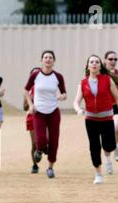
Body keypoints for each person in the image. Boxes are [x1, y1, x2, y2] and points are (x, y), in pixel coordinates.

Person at [73, 54, 118, 184]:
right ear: (88, 65)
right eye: (92, 62)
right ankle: (98, 174)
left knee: (109, 146)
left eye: (97, 62)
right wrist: (79, 110)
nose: (94, 64)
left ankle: (115, 146)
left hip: (107, 118)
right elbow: (76, 101)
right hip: (91, 120)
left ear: (100, 65)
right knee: (94, 147)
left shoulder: (107, 80)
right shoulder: (83, 83)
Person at [24, 50, 67, 179]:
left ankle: (50, 167)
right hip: (39, 112)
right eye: (45, 57)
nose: (48, 59)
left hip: (53, 112)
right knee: (41, 140)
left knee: (54, 141)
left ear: (54, 61)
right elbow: (26, 90)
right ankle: (39, 149)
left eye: (50, 57)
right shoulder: (35, 75)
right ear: (42, 60)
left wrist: (61, 96)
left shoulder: (58, 76)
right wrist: (31, 105)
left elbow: (65, 93)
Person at [23, 67, 40, 174]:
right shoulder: (28, 90)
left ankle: (42, 150)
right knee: (34, 143)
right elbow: (24, 107)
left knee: (45, 139)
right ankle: (34, 165)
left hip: (44, 116)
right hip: (31, 117)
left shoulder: (45, 88)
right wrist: (31, 100)